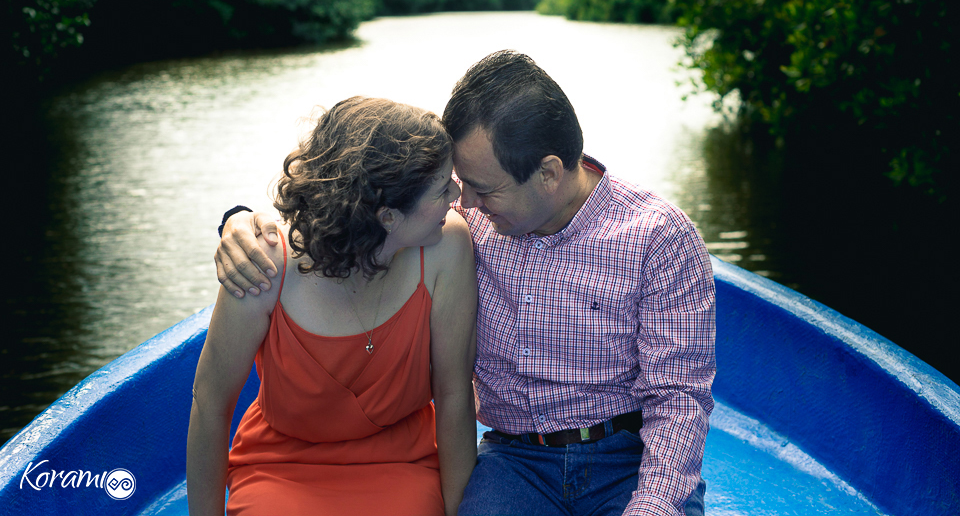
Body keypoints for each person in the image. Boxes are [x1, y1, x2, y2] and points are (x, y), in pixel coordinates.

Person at [216, 51, 716, 516]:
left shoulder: (659, 238)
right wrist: (241, 222)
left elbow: (679, 399)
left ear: (548, 173)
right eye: (457, 183)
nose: (464, 202)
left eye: (482, 188)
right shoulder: (459, 227)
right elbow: (363, 195)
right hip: (516, 462)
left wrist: (653, 506)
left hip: (628, 459)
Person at [188, 97, 479, 516]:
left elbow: (453, 394)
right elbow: (210, 401)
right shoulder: (264, 264)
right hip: (280, 466)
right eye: (442, 188)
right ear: (388, 217)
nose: (458, 194)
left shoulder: (446, 244)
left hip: (402, 462)